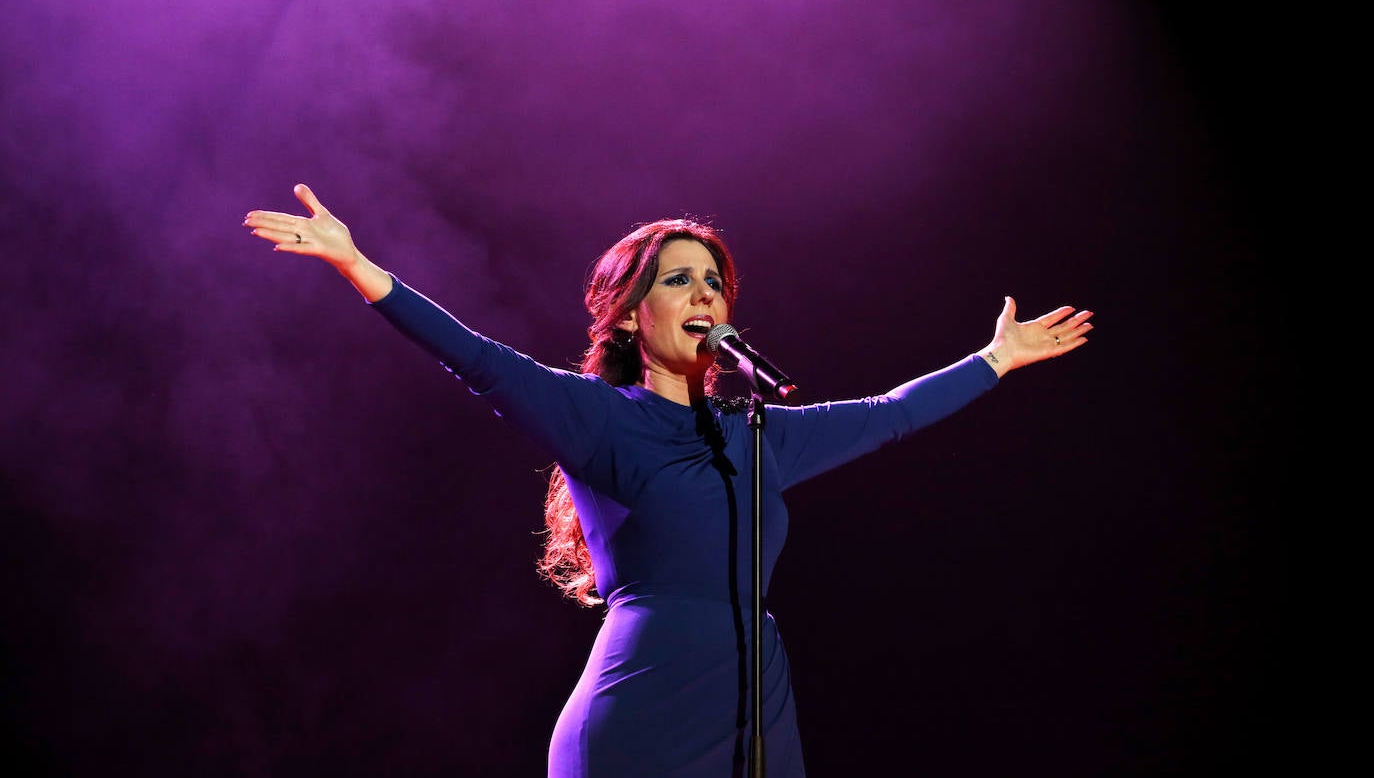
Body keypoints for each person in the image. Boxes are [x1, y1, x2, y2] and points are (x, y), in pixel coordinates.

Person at [243, 184, 1093, 777]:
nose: (706, 295)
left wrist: (996, 358)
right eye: (679, 279)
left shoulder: (758, 433)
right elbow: (477, 359)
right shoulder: (598, 418)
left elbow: (889, 412)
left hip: (756, 698)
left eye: (715, 282)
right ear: (631, 312)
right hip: (643, 711)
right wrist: (359, 267)